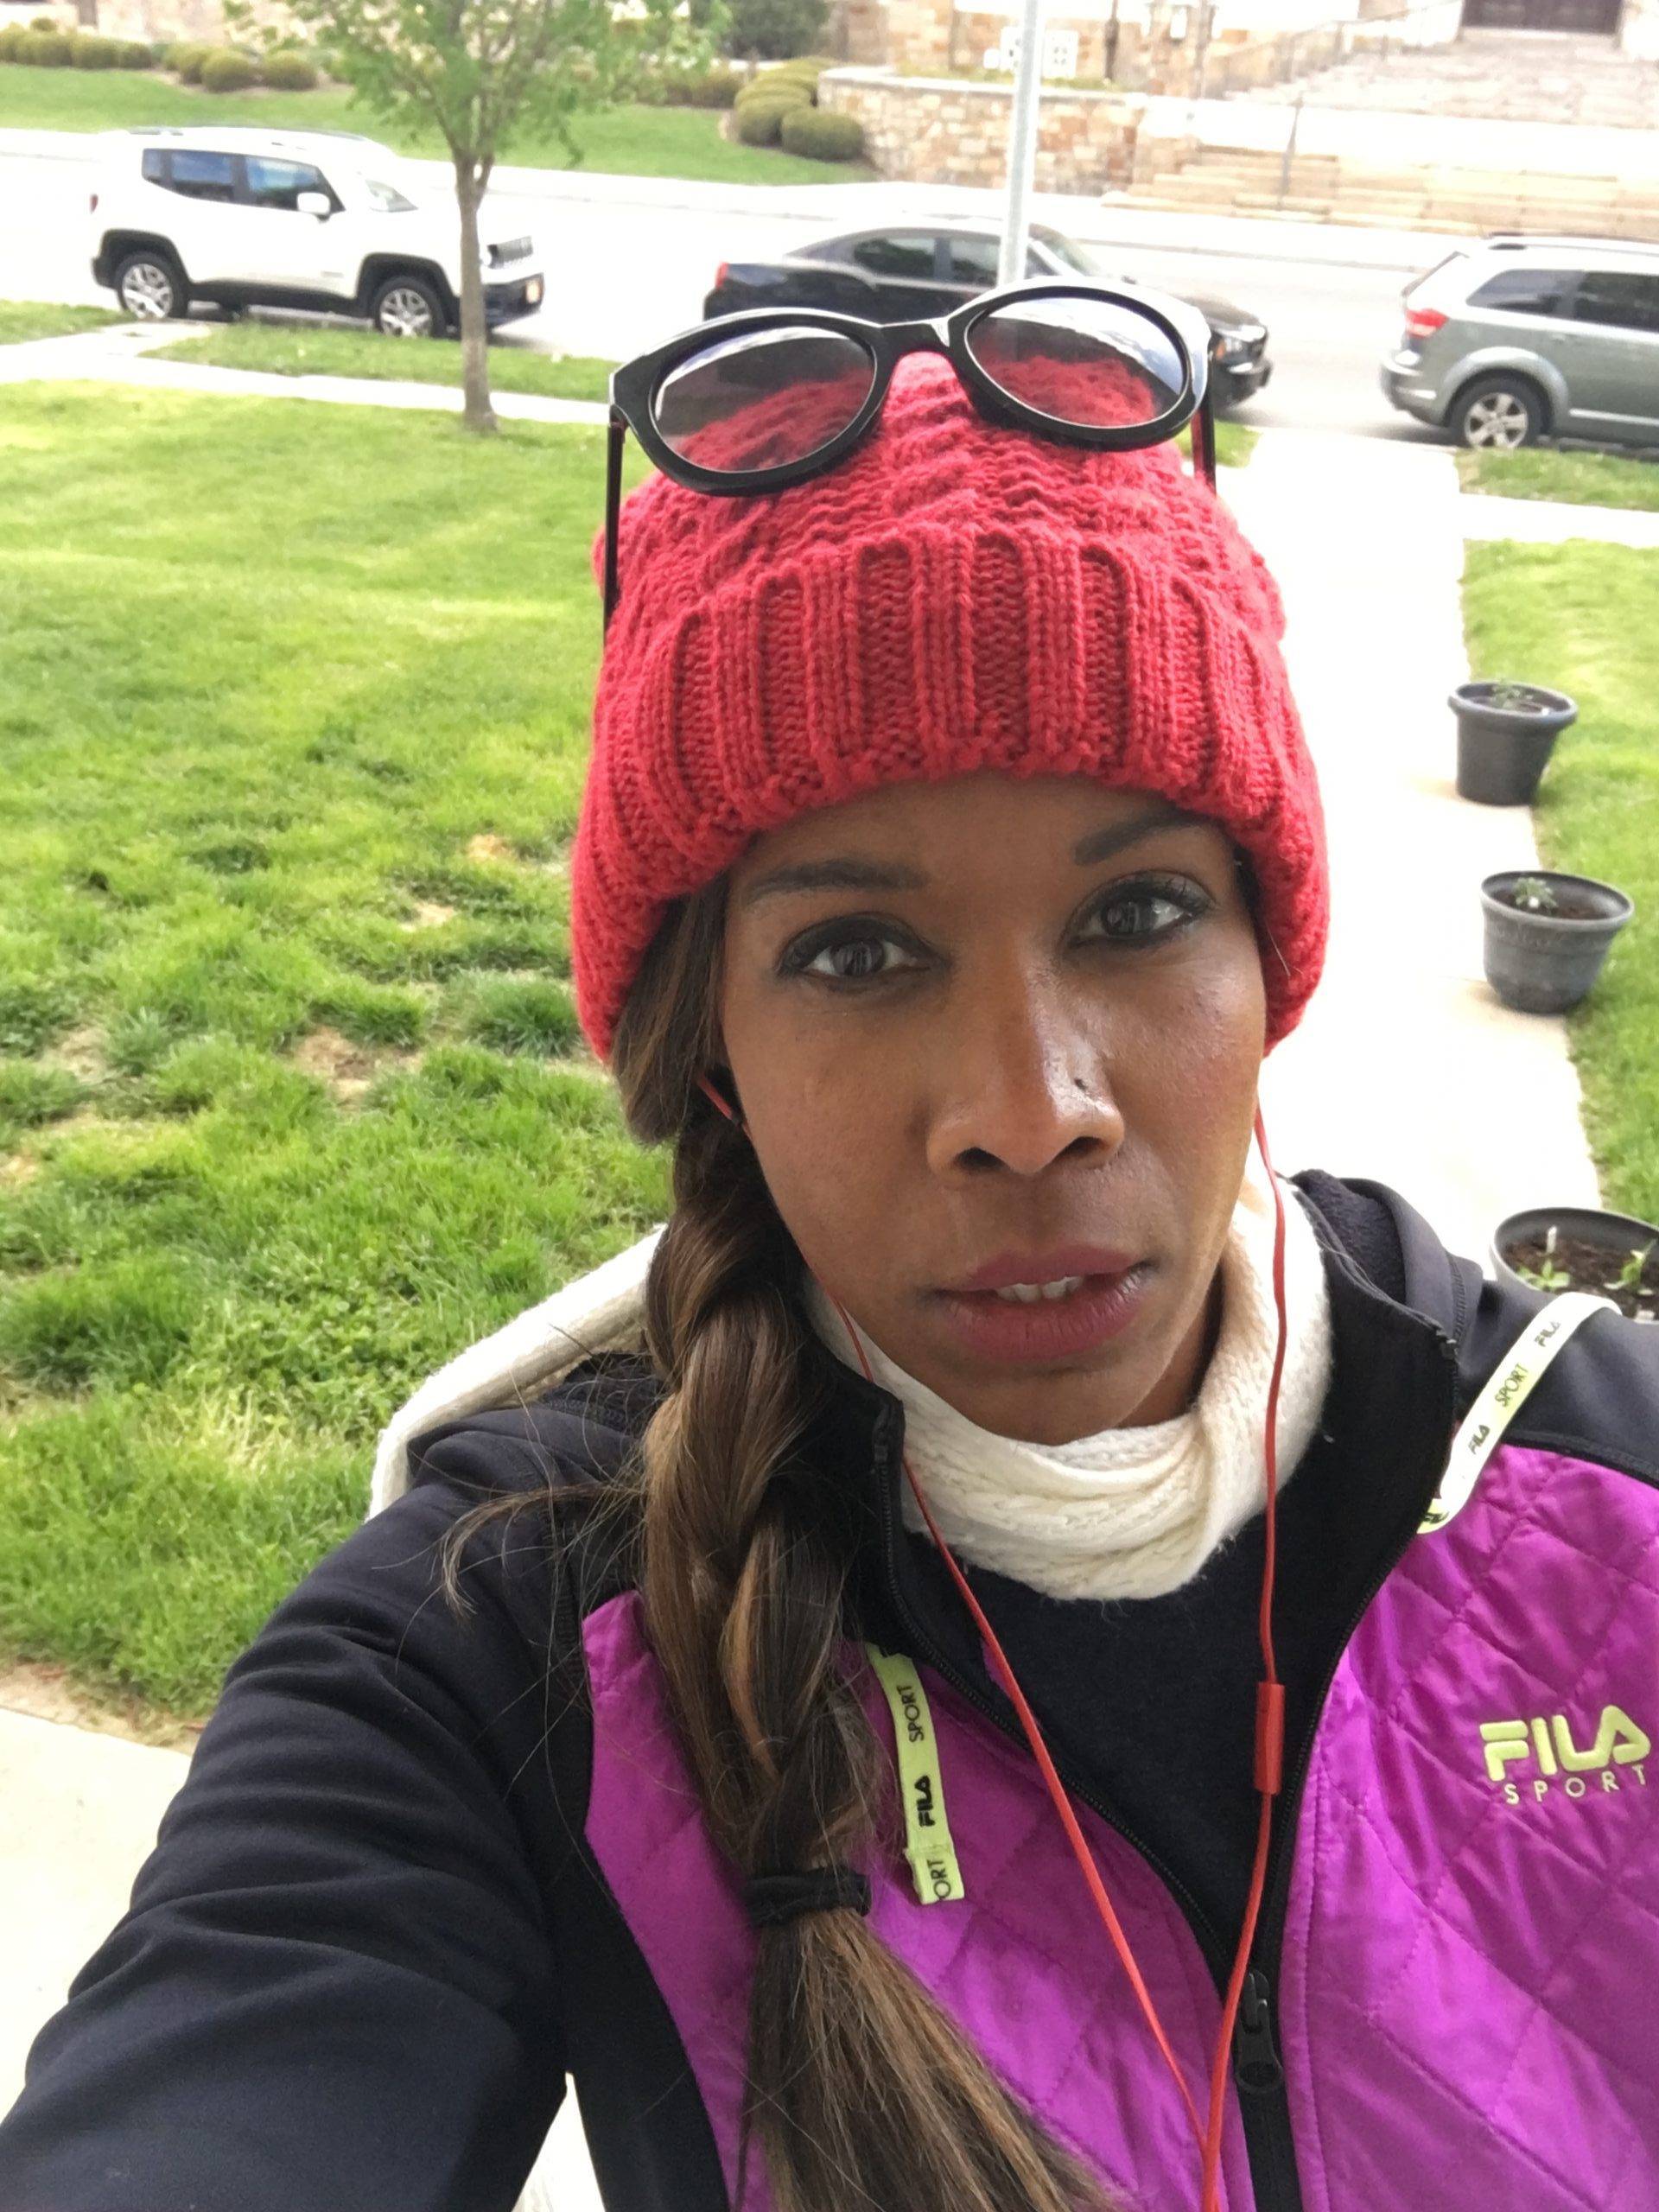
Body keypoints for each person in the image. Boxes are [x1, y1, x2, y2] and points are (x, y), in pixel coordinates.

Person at [1, 290, 1656, 2212]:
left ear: (1264, 951)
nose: (1032, 1110)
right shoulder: (498, 1646)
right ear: (707, 1044)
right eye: (859, 951)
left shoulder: (1609, 1473)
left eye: (1136, 911)